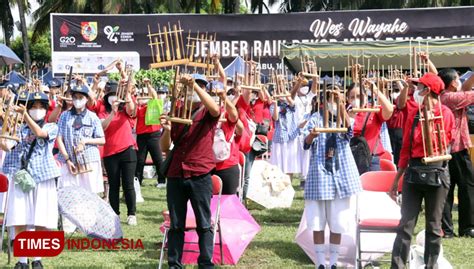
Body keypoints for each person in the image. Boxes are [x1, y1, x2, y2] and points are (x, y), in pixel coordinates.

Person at [390, 73, 454, 268]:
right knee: (405, 225)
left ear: (428, 91)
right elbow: (405, 150)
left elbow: (444, 144)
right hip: (414, 172)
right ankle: (398, 265)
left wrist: (431, 121)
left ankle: (431, 265)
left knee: (434, 226)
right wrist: (396, 180)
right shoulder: (414, 114)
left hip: (437, 171)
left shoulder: (445, 114)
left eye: (419, 88)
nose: (415, 91)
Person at [160, 74, 220, 269]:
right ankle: (174, 264)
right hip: (176, 173)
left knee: (204, 223)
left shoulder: (206, 112)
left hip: (200, 173)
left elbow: (216, 109)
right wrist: (167, 130)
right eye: (188, 88)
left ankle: (205, 264)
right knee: (176, 224)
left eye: (197, 87)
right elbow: (164, 146)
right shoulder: (177, 111)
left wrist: (195, 86)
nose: (191, 91)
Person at [303, 91, 361, 269]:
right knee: (317, 221)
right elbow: (305, 142)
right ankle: (321, 262)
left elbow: (349, 132)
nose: (334, 102)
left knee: (338, 221)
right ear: (323, 102)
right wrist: (312, 135)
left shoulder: (344, 116)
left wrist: (341, 105)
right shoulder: (315, 118)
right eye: (331, 99)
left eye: (337, 99)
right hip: (319, 176)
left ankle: (333, 262)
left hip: (341, 175)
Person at [4, 91, 60, 269]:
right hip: (22, 177)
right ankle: (22, 261)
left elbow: (40, 133)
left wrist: (25, 115)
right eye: (33, 107)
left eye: (40, 107)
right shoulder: (19, 128)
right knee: (20, 218)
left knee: (39, 220)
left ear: (45, 110)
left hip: (42, 177)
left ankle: (36, 259)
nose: (37, 110)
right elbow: (7, 145)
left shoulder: (52, 126)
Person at [90, 80, 138, 226]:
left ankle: (132, 213)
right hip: (110, 153)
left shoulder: (126, 109)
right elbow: (102, 127)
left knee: (128, 184)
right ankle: (115, 213)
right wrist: (113, 113)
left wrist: (127, 92)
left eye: (115, 94)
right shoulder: (103, 110)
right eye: (110, 94)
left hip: (128, 150)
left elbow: (132, 109)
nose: (113, 97)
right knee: (114, 184)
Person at [438, 69, 474, 238]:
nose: (460, 81)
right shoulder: (452, 98)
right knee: (467, 187)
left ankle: (447, 229)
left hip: (446, 149)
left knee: (447, 189)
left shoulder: (444, 95)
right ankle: (467, 227)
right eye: (458, 79)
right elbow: (468, 93)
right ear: (452, 83)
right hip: (457, 149)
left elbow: (466, 88)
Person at [348, 68, 394, 171]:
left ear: (365, 96)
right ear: (348, 99)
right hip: (350, 158)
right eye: (352, 97)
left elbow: (389, 110)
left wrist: (375, 90)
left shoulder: (372, 109)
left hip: (371, 158)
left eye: (359, 96)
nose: (356, 99)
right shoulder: (344, 113)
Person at [134, 79, 166, 189]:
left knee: (158, 159)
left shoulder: (152, 104)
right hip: (141, 136)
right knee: (140, 160)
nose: (143, 97)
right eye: (141, 95)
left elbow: (154, 95)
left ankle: (162, 181)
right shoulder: (137, 107)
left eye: (145, 94)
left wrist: (148, 84)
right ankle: (137, 180)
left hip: (154, 134)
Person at [270, 94, 300, 178]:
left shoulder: (290, 105)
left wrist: (285, 93)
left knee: (290, 164)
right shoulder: (273, 106)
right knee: (279, 164)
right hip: (280, 138)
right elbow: (275, 118)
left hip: (291, 137)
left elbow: (292, 103)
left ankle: (289, 185)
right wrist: (275, 103)